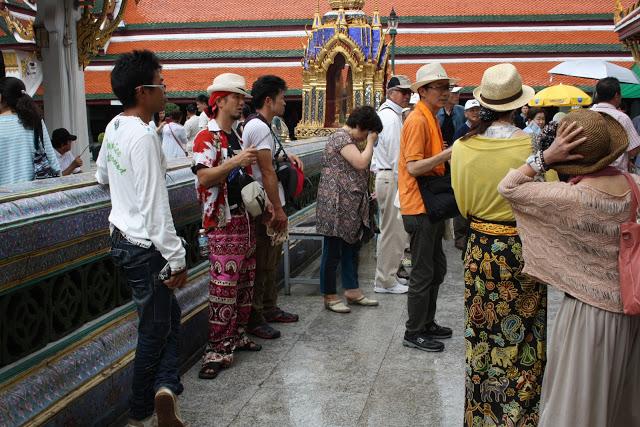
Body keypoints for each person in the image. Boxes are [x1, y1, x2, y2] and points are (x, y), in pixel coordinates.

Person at [498, 109, 640, 426]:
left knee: (576, 407)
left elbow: (509, 187)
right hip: (631, 309)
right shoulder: (634, 187)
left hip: (588, 313)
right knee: (619, 405)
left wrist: (544, 157)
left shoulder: (571, 197)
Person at [95, 50, 187, 427]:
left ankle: (165, 389)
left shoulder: (116, 125)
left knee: (168, 318)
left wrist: (124, 187)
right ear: (142, 91)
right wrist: (176, 256)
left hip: (120, 237)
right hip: (145, 248)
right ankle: (139, 411)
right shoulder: (144, 138)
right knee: (153, 328)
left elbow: (102, 175)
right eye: (160, 84)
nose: (165, 90)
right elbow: (155, 206)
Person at [450, 63, 545, 426]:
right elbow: (545, 196)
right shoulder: (534, 146)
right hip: (523, 247)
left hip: (481, 248)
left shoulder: (461, 147)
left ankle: (480, 416)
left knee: (483, 335)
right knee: (524, 338)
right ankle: (521, 417)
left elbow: (462, 205)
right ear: (518, 105)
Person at [192, 73, 261, 380]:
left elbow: (243, 178)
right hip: (222, 223)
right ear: (219, 101)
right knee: (223, 288)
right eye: (236, 97)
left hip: (243, 219)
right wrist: (237, 161)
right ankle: (217, 348)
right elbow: (205, 177)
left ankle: (237, 335)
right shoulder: (206, 137)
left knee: (244, 283)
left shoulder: (235, 135)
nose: (242, 102)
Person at [398, 63, 456, 352]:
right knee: (422, 271)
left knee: (436, 268)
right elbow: (414, 167)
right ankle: (414, 331)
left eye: (447, 87)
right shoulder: (418, 120)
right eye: (440, 87)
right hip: (419, 204)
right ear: (422, 91)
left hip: (428, 205)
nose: (446, 93)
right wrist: (448, 153)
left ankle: (427, 321)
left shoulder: (429, 116)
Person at [242, 75, 303, 339]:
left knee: (271, 259)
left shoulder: (265, 126)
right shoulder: (258, 127)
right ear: (268, 100)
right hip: (265, 205)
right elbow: (266, 172)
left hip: (271, 200)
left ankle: (269, 306)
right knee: (263, 262)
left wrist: (284, 155)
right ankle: (256, 316)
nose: (285, 103)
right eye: (281, 98)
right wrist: (277, 210)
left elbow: (267, 161)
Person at [316, 106, 382, 312]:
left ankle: (352, 290)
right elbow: (361, 162)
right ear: (361, 126)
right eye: (366, 133)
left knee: (350, 248)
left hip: (348, 204)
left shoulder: (349, 139)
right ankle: (329, 295)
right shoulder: (341, 138)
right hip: (336, 204)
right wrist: (371, 143)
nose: (365, 138)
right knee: (333, 250)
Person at [372, 75, 412, 294]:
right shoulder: (391, 118)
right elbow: (399, 157)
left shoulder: (389, 115)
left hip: (387, 175)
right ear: (390, 93)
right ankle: (385, 280)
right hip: (392, 176)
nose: (407, 96)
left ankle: (389, 274)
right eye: (403, 92)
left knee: (392, 230)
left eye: (409, 92)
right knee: (392, 232)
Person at [0, 76, 60, 185]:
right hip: (32, 197)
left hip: (4, 199)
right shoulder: (35, 122)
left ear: (1, 98)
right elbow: (54, 165)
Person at [591, 77, 640, 172]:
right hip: (615, 174)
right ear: (616, 95)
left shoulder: (586, 115)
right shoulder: (622, 118)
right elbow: (633, 151)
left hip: (589, 172)